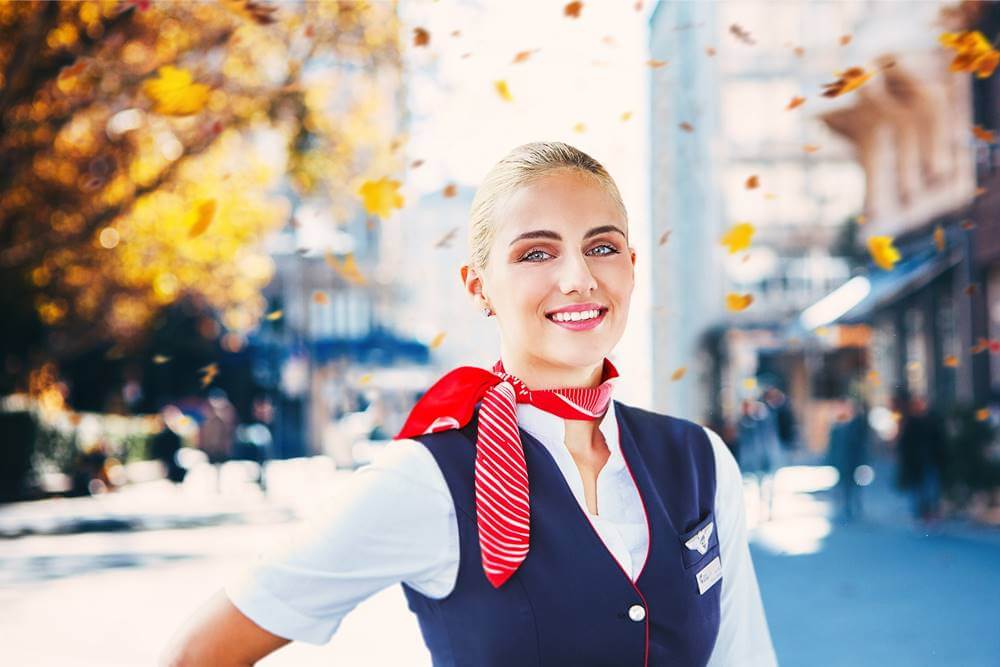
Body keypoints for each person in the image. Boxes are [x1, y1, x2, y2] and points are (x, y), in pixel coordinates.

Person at [160, 142, 777, 666]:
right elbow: (198, 652)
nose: (578, 278)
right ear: (478, 286)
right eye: (536, 253)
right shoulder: (428, 476)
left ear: (632, 267)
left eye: (602, 246)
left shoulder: (701, 459)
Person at [895, 392, 948, 523]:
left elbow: (940, 441)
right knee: (918, 491)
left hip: (930, 462)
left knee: (931, 490)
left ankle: (931, 515)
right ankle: (920, 515)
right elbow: (905, 445)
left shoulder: (933, 420)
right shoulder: (911, 423)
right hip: (916, 464)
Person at [826, 396, 869, 523]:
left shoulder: (855, 425)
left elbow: (861, 444)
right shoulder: (837, 427)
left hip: (853, 461)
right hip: (841, 461)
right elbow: (832, 447)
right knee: (843, 485)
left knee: (853, 485)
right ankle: (846, 507)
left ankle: (854, 507)